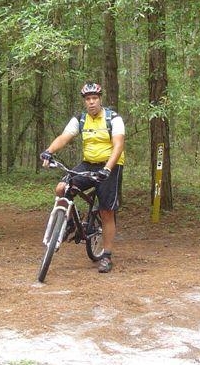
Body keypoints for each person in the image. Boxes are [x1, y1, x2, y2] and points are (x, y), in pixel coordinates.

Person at [40, 82, 125, 273]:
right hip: (88, 163)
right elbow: (64, 137)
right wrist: (48, 151)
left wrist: (108, 169)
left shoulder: (114, 118)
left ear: (100, 99)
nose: (91, 102)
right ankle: (69, 221)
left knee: (106, 212)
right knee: (62, 188)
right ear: (85, 102)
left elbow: (118, 146)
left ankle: (106, 256)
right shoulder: (81, 119)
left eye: (94, 98)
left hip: (110, 164)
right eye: (88, 99)